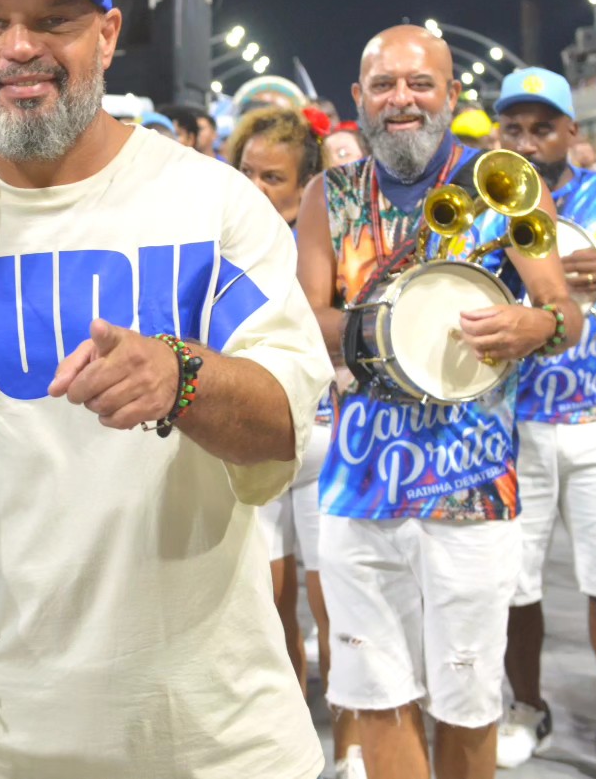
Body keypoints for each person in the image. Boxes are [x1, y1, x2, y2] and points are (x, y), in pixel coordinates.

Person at [0, 0, 331, 779]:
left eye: (54, 20)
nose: (21, 47)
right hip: (14, 739)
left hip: (219, 739)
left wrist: (183, 377)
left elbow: (287, 430)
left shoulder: (212, 203)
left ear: (106, 34)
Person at [296, 26, 582, 779]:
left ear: (452, 98)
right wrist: (382, 329)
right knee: (377, 695)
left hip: (471, 489)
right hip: (360, 490)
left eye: (421, 84)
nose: (402, 99)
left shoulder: (505, 179)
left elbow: (564, 312)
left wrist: (533, 323)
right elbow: (299, 321)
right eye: (383, 84)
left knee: (467, 696)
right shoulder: (329, 197)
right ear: (358, 98)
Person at [227, 105, 364, 775]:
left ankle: (353, 746)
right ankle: (290, 745)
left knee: (334, 606)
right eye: (246, 171)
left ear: (305, 182)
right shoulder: (212, 238)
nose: (255, 187)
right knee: (268, 606)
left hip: (325, 444)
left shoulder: (325, 239)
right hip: (252, 449)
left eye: (272, 177)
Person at [478, 69, 596, 768]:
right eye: (514, 128)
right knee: (516, 582)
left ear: (571, 131)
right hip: (516, 422)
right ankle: (526, 702)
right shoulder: (486, 203)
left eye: (542, 127)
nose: (527, 141)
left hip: (595, 418)